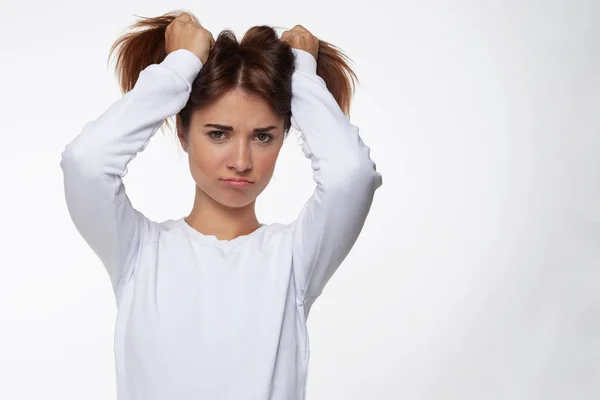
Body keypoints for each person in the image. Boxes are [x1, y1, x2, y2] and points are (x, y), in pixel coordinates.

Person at [60, 10, 382, 400]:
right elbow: (86, 163)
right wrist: (179, 69)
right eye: (218, 134)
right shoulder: (138, 253)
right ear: (182, 132)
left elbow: (351, 175)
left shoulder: (293, 260)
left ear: (284, 137)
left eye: (263, 136)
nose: (242, 160)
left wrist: (302, 76)